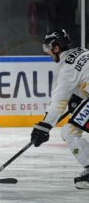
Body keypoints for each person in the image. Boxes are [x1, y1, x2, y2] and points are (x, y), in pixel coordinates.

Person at [30, 29, 89, 189]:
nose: (48, 53)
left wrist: (44, 126)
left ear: (56, 48)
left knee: (69, 132)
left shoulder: (67, 68)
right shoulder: (83, 51)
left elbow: (58, 102)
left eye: (48, 48)